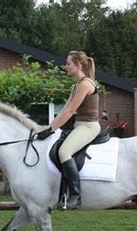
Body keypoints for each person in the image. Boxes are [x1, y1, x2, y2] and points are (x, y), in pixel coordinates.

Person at [36, 50, 101, 209]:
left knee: (64, 151)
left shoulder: (85, 84)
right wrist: (49, 127)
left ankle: (75, 196)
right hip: (79, 126)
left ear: (78, 65)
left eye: (68, 64)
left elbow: (70, 111)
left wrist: (51, 130)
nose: (66, 67)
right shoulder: (76, 85)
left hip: (89, 126)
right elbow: (64, 109)